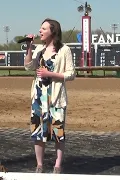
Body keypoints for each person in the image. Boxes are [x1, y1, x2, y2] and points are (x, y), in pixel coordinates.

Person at [24, 18, 76, 174]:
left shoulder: (64, 50)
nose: (40, 31)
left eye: (44, 29)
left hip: (55, 98)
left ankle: (58, 165)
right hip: (38, 97)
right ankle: (39, 165)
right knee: (38, 132)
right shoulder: (39, 48)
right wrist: (29, 48)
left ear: (53, 31)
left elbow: (71, 74)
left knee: (58, 133)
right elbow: (29, 67)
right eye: (40, 28)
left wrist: (50, 74)